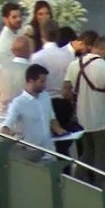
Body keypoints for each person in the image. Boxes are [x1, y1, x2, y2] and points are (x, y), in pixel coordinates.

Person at [63, 36, 105, 185]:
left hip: (82, 120)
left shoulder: (74, 65)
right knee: (101, 156)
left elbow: (65, 91)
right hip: (101, 120)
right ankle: (101, 188)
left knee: (86, 153)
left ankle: (75, 183)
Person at [1, 64, 69, 160]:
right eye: (41, 81)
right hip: (31, 154)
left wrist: (59, 130)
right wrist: (11, 134)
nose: (44, 85)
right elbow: (6, 125)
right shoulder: (18, 103)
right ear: (30, 81)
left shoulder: (45, 96)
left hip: (50, 151)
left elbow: (51, 118)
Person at [30, 20, 77, 161]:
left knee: (45, 146)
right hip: (64, 105)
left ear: (42, 35)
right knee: (63, 146)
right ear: (58, 35)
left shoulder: (36, 57)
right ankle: (65, 175)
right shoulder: (68, 56)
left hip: (44, 104)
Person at [0, 36, 33, 132]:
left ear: (13, 51)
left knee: (3, 146)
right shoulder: (32, 71)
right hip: (24, 120)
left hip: (2, 118)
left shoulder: (0, 68)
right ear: (29, 51)